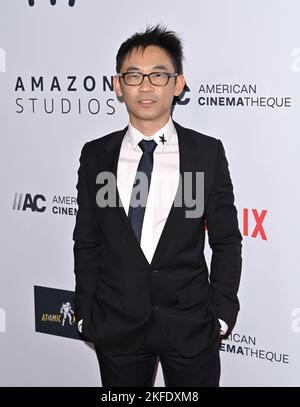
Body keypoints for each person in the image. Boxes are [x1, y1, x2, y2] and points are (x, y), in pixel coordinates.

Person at [73, 24, 242, 387]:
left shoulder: (205, 153)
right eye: (133, 75)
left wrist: (222, 314)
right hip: (116, 325)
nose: (145, 86)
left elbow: (226, 241)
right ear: (117, 86)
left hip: (191, 326)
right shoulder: (96, 155)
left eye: (158, 75)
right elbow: (87, 241)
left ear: (178, 84)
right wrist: (86, 313)